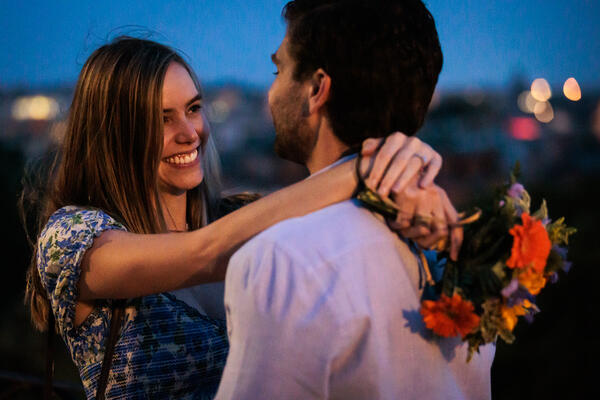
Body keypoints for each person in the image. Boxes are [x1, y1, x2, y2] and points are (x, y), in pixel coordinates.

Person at [23, 37, 457, 399]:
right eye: (162, 119)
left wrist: (411, 188)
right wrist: (362, 167)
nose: (190, 132)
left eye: (193, 108)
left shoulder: (241, 214)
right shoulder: (72, 237)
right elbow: (203, 254)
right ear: (115, 134)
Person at [215, 1, 495, 399]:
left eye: (279, 70)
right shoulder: (463, 261)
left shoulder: (284, 258)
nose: (272, 91)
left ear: (316, 90)